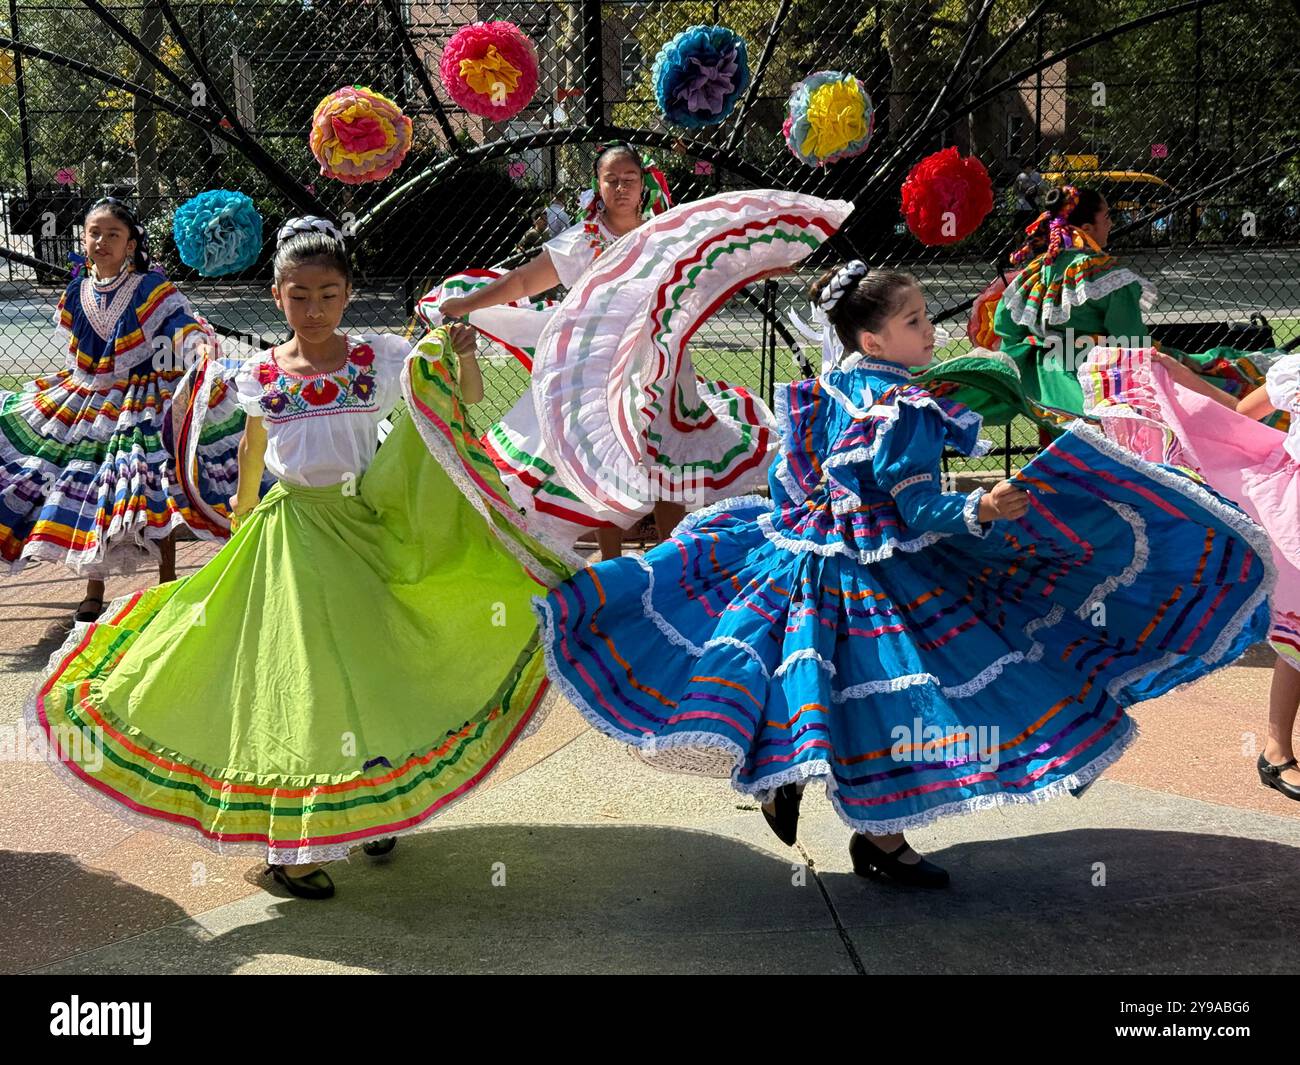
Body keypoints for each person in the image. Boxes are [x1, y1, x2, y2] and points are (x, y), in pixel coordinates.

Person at [534, 260, 1273, 888]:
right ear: (872, 337)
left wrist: (837, 519)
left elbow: (798, 482)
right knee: (906, 698)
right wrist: (978, 509)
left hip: (801, 553)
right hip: (879, 574)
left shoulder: (828, 389)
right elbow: (918, 509)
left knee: (806, 677)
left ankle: (789, 780)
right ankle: (878, 839)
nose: (931, 331)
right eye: (917, 321)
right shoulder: (903, 408)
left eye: (925, 318)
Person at [29, 217, 574, 900]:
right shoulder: (258, 373)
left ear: (348, 295)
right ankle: (287, 846)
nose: (313, 309)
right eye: (299, 295)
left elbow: (460, 400)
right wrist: (244, 520)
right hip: (288, 538)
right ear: (276, 295)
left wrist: (462, 349)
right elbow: (254, 454)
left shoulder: (378, 358)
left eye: (327, 294)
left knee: (375, 666)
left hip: (364, 533)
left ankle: (371, 804)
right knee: (300, 685)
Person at [431, 145, 785, 562]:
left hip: (666, 370)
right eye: (611, 179)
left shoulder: (665, 233)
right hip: (602, 373)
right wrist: (468, 303)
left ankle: (672, 561)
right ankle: (614, 567)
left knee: (669, 461)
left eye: (629, 179)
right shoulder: (582, 242)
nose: (620, 187)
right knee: (603, 459)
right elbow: (524, 281)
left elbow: (717, 266)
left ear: (642, 184)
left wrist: (766, 262)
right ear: (598, 186)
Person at [0, 197, 243, 619]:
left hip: (151, 397)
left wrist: (198, 345)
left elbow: (180, 328)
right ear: (84, 238)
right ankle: (94, 588)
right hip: (93, 398)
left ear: (131, 244)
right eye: (95, 232)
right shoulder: (76, 292)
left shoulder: (152, 288)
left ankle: (166, 583)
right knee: (95, 492)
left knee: (157, 483)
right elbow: (80, 358)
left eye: (114, 234)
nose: (102, 241)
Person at [1081, 345, 1300, 802]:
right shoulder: (1296, 369)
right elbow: (1239, 414)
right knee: (1297, 631)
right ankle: (1277, 749)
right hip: (1291, 507)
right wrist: (1179, 374)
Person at [921, 185, 1278, 430]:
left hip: (1046, 384)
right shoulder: (1108, 276)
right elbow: (1131, 344)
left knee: (1064, 456)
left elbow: (1007, 329)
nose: (1111, 224)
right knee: (1213, 376)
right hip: (1105, 385)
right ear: (1089, 227)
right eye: (1107, 217)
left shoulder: (1031, 275)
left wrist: (1043, 353)